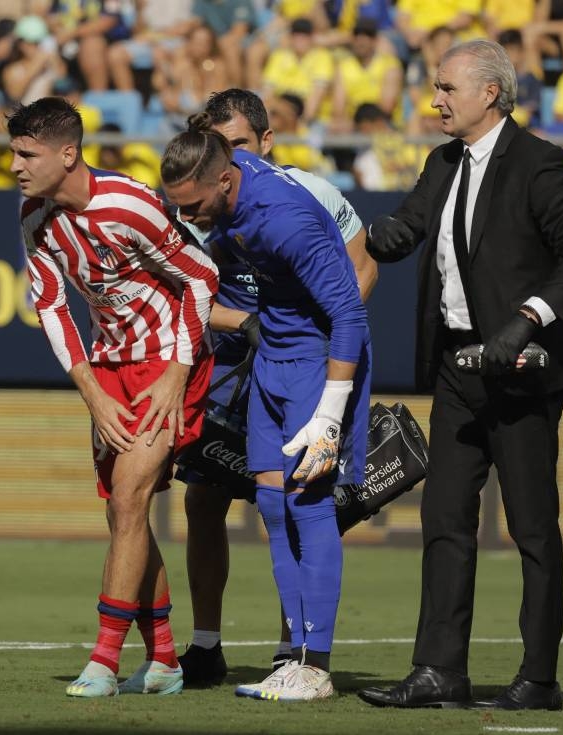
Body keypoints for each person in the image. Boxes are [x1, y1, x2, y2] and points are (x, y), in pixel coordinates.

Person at [359, 39, 563, 711]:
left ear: (489, 93)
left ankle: (539, 677)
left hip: (522, 370)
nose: (434, 98)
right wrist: (354, 230)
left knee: (531, 525)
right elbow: (403, 231)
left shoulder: (539, 162)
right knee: (443, 519)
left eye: (445, 87)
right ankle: (439, 670)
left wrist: (526, 318)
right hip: (456, 370)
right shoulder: (441, 162)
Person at [8, 96, 219, 698]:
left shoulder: (129, 204)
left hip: (170, 361)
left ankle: (103, 660)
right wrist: (92, 392)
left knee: (129, 501)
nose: (17, 166)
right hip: (111, 369)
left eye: (28, 154)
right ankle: (166, 662)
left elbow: (202, 278)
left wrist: (177, 373)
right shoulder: (35, 220)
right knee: (120, 513)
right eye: (14, 153)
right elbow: (51, 307)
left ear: (68, 153)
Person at [169, 88, 377, 689]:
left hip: (314, 363)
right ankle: (289, 662)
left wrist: (332, 413)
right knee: (270, 504)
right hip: (267, 360)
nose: (188, 216)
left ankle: (316, 663)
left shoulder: (287, 218)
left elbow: (350, 313)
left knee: (308, 507)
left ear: (229, 178)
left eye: (194, 205)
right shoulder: (220, 195)